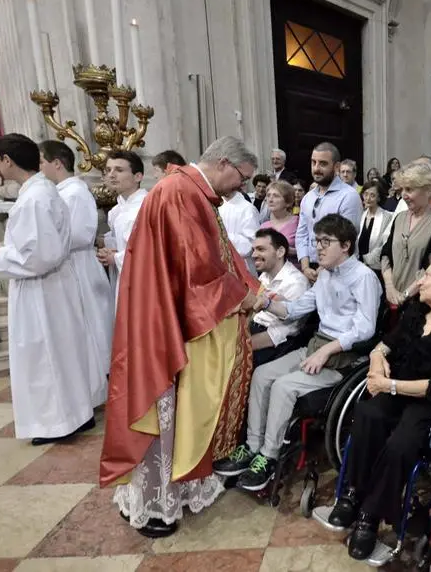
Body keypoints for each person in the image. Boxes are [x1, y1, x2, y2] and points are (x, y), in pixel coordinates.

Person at [100, 136, 260, 538]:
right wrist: (242, 297)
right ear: (224, 163)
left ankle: (180, 489)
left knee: (178, 412)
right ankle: (156, 506)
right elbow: (198, 272)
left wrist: (245, 286)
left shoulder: (188, 190)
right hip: (165, 324)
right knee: (163, 410)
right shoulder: (180, 192)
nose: (241, 187)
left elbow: (217, 256)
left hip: (169, 315)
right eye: (242, 177)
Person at [333, 253, 431, 560]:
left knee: (402, 444)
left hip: (430, 400)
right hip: (396, 384)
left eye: (428, 276)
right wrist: (376, 362)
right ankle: (353, 493)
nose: (420, 281)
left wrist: (386, 385)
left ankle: (370, 516)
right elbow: (385, 343)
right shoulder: (416, 311)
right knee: (367, 413)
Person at [216, 214, 381, 489]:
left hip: (343, 359)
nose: (318, 247)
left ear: (346, 245)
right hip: (318, 345)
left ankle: (268, 457)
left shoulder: (364, 277)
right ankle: (253, 446)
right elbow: (294, 310)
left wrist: (327, 350)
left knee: (282, 386)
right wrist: (263, 302)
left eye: (326, 241)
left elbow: (365, 329)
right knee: (261, 375)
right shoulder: (326, 274)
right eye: (316, 241)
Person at [0, 134, 98, 444]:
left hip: (41, 288)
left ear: (9, 161)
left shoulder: (35, 197)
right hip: (52, 284)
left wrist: (1, 253)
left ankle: (58, 422)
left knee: (44, 354)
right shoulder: (43, 191)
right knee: (64, 352)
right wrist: (9, 247)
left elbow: (38, 256)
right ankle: (78, 414)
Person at [39, 140, 113, 384]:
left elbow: (80, 234)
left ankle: (103, 374)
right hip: (71, 262)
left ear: (57, 164)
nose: (40, 168)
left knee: (92, 320)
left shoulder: (74, 193)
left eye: (42, 162)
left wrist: (47, 243)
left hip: (79, 263)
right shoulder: (63, 192)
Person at [381, 161, 431, 306]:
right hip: (390, 299)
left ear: (426, 189)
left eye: (409, 189)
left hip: (419, 303)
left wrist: (405, 295)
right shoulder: (400, 218)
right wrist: (389, 288)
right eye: (402, 190)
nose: (404, 195)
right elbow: (386, 253)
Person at [295, 142, 363, 283]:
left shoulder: (349, 196)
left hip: (339, 271)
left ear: (336, 167)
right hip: (311, 268)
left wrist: (322, 268)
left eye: (323, 164)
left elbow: (344, 239)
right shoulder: (308, 197)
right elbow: (302, 234)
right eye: (313, 162)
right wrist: (305, 266)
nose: (316, 168)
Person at [248, 228, 310, 367]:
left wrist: (244, 345)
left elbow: (284, 332)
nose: (253, 254)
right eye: (253, 250)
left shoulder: (296, 282)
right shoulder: (264, 276)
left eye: (260, 249)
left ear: (280, 252)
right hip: (254, 331)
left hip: (276, 347)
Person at [98, 150, 146, 302]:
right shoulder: (115, 210)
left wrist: (117, 257)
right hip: (121, 274)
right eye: (108, 170)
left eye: (119, 170)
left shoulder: (146, 206)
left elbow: (150, 249)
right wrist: (108, 249)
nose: (111, 175)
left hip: (142, 279)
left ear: (138, 176)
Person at [220, 186, 260, 275]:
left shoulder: (248, 209)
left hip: (243, 268)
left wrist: (222, 237)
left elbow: (251, 245)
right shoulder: (216, 206)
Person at [357, 179, 392, 277]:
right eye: (366, 194)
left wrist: (366, 259)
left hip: (376, 268)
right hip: (359, 266)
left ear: (379, 198)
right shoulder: (361, 215)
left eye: (372, 195)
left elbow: (383, 244)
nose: (368, 198)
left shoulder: (387, 217)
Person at [259, 180, 299, 263]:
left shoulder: (298, 222)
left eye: (276, 196)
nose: (270, 200)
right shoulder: (264, 226)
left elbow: (310, 252)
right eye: (268, 195)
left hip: (294, 272)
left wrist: (287, 250)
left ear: (288, 202)